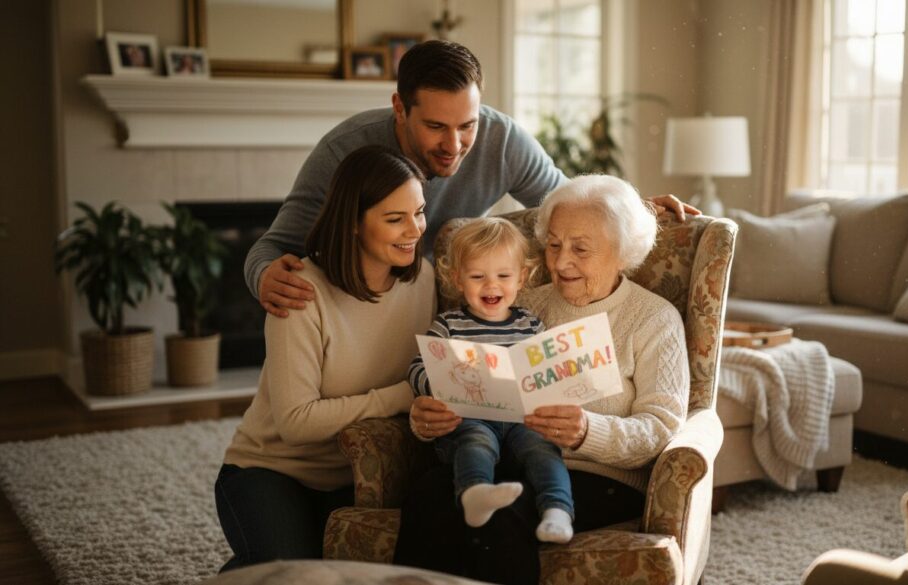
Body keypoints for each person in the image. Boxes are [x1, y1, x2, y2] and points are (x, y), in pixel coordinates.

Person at [245, 39, 695, 319]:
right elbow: (271, 246)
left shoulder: (501, 139)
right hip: (359, 305)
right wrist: (264, 274)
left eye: (467, 125)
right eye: (436, 127)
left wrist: (635, 210)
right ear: (400, 109)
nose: (455, 144)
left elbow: (572, 203)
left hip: (450, 305)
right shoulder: (344, 150)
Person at [395, 174, 691, 584]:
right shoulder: (523, 305)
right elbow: (471, 379)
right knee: (428, 494)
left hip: (598, 476)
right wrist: (430, 417)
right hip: (503, 454)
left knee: (503, 519)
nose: (560, 262)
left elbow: (661, 427)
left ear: (622, 253)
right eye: (553, 245)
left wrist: (589, 430)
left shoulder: (654, 319)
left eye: (580, 249)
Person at [214, 145, 436, 571]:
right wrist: (399, 397)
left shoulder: (423, 280)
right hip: (271, 471)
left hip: (360, 474)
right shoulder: (299, 292)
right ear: (353, 224)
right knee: (292, 577)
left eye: (419, 212)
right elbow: (296, 423)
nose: (415, 230)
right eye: (395, 219)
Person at [407, 217, 575, 544]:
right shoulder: (449, 326)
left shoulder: (530, 325)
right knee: (475, 442)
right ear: (457, 279)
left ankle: (557, 511)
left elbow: (549, 370)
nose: (491, 286)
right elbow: (416, 366)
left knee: (544, 450)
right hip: (471, 417)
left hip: (521, 420)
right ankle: (474, 493)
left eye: (503, 275)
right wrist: (437, 385)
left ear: (522, 278)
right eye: (477, 276)